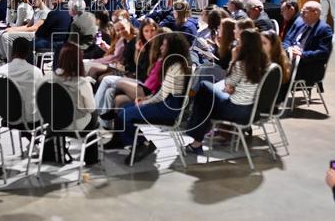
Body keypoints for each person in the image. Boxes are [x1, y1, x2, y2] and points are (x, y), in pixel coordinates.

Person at [184, 29, 268, 155]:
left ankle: (196, 140)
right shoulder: (264, 63)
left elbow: (228, 84)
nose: (236, 45)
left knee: (204, 90)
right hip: (253, 109)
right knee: (206, 99)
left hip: (239, 110)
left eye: (239, 43)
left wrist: (234, 60)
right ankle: (196, 140)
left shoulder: (242, 64)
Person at [114, 32, 191, 162]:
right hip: (166, 103)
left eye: (164, 45)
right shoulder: (174, 63)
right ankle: (128, 141)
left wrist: (146, 102)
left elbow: (163, 95)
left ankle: (142, 144)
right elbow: (161, 92)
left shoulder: (176, 67)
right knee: (123, 107)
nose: (161, 48)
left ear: (172, 48)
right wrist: (146, 99)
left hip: (168, 107)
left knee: (125, 114)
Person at [0, 37, 44, 124]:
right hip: (31, 119)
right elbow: (41, 96)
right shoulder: (36, 72)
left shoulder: (0, 71)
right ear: (28, 53)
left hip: (8, 117)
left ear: (12, 51)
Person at [283, 0, 332, 85]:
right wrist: (288, 49)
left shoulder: (324, 29)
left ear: (315, 13)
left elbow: (323, 52)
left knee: (277, 71)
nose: (301, 15)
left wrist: (301, 54)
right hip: (289, 57)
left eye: (304, 12)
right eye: (301, 12)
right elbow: (287, 39)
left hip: (306, 65)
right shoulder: (299, 22)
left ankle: (279, 96)